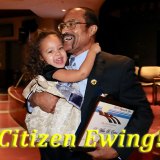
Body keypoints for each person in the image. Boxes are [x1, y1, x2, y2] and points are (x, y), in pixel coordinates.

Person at [28, 7, 153, 160]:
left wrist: (117, 149)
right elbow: (32, 89)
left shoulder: (118, 66)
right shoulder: (53, 59)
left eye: (72, 24)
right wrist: (34, 99)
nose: (65, 30)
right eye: (63, 26)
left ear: (92, 29)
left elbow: (143, 113)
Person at [23, 29, 101, 141]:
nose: (58, 53)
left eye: (60, 48)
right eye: (50, 51)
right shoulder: (51, 71)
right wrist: (92, 52)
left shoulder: (61, 69)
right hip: (55, 134)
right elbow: (81, 74)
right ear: (41, 57)